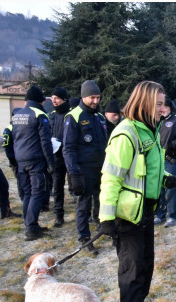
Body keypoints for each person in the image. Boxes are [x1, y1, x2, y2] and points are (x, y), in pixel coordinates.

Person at [99, 80, 176, 302]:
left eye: (163, 104)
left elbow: (146, 171)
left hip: (145, 211)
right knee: (132, 272)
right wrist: (107, 218)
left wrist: (165, 178)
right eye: (157, 104)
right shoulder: (126, 133)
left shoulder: (148, 131)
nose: (162, 109)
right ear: (144, 103)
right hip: (126, 217)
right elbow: (111, 178)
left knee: (144, 267)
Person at [63, 80, 108, 252]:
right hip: (83, 169)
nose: (95, 101)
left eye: (98, 97)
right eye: (92, 98)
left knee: (102, 200)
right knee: (84, 205)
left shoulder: (99, 116)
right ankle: (85, 238)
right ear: (83, 97)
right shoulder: (73, 117)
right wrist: (74, 174)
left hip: (101, 167)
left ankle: (101, 227)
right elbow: (68, 149)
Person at [12, 85, 56, 240]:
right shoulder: (40, 115)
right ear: (41, 101)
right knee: (38, 193)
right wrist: (51, 162)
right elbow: (46, 142)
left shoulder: (17, 115)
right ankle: (31, 228)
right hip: (36, 160)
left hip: (21, 158)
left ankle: (30, 224)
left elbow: (14, 137)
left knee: (28, 193)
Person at [154, 97, 176, 227]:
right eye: (160, 106)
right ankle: (160, 214)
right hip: (157, 160)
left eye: (164, 106)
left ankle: (172, 216)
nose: (161, 109)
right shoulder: (156, 121)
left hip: (171, 160)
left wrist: (170, 144)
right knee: (159, 189)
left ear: (170, 108)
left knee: (170, 188)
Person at [48, 87, 71, 227]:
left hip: (69, 156)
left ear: (64, 99)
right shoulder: (51, 115)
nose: (54, 101)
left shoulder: (71, 114)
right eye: (52, 98)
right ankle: (58, 215)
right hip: (57, 157)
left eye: (56, 98)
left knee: (76, 186)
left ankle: (85, 214)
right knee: (57, 187)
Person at [1, 108, 25, 202]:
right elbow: (7, 146)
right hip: (15, 159)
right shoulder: (8, 129)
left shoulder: (24, 127)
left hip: (24, 157)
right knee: (20, 179)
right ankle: (23, 197)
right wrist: (12, 160)